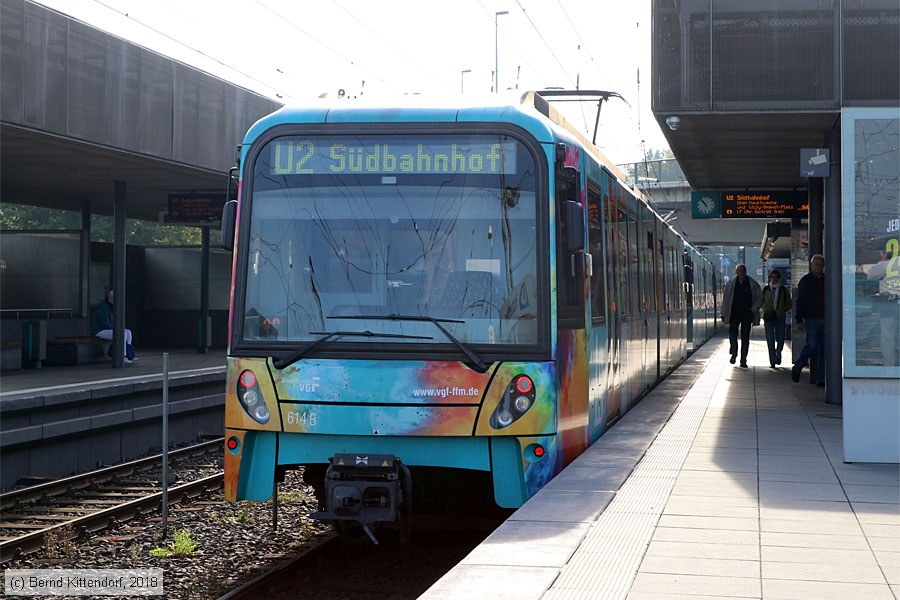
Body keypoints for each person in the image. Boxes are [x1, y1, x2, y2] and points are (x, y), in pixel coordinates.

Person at [792, 254, 825, 386]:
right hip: (811, 318)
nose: (818, 267)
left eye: (820, 264)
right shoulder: (805, 281)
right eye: (816, 264)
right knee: (811, 345)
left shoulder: (828, 280)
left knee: (824, 348)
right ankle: (798, 366)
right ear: (811, 266)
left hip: (826, 318)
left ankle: (821, 377)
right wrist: (799, 319)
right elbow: (800, 302)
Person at [721, 263, 763, 368]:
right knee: (732, 335)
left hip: (747, 315)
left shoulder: (752, 284)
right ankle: (734, 353)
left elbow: (760, 298)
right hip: (734, 314)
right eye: (739, 271)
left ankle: (743, 359)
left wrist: (754, 308)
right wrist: (723, 313)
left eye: (743, 271)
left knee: (745, 338)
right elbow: (725, 300)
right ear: (736, 272)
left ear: (745, 272)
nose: (741, 273)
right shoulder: (731, 284)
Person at [866, 249, 899, 366]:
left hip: (889, 305)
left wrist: (883, 260)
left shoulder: (886, 264)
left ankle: (890, 365)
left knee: (888, 336)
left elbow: (870, 275)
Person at [91, 290, 137, 364]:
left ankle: (129, 354)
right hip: (99, 331)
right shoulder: (104, 309)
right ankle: (122, 356)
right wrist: (117, 328)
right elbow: (106, 324)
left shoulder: (110, 308)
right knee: (122, 333)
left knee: (128, 332)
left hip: (107, 329)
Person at [761, 269, 792, 368]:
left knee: (781, 338)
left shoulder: (783, 289)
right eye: (772, 277)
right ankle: (772, 361)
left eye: (776, 277)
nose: (774, 278)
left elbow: (789, 303)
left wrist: (782, 310)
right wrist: (765, 307)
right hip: (768, 317)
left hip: (780, 317)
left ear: (779, 278)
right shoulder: (766, 289)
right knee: (770, 339)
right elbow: (761, 301)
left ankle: (778, 353)